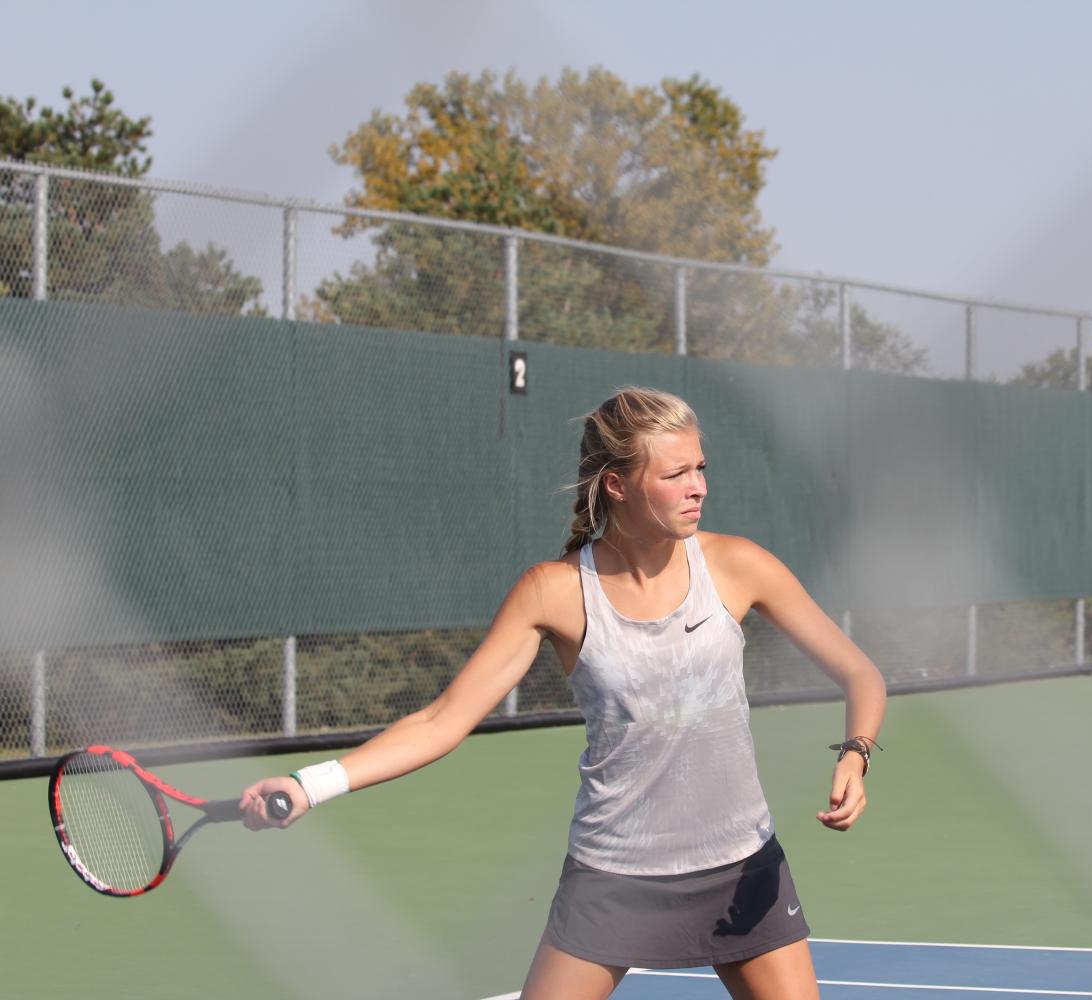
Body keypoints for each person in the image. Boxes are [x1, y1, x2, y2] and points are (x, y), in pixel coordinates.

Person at [240, 386, 887, 1000]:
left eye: (700, 468)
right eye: (675, 474)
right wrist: (310, 784)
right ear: (617, 484)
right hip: (614, 878)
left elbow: (860, 673)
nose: (699, 488)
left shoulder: (737, 565)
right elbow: (441, 720)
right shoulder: (553, 592)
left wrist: (855, 754)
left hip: (742, 867)